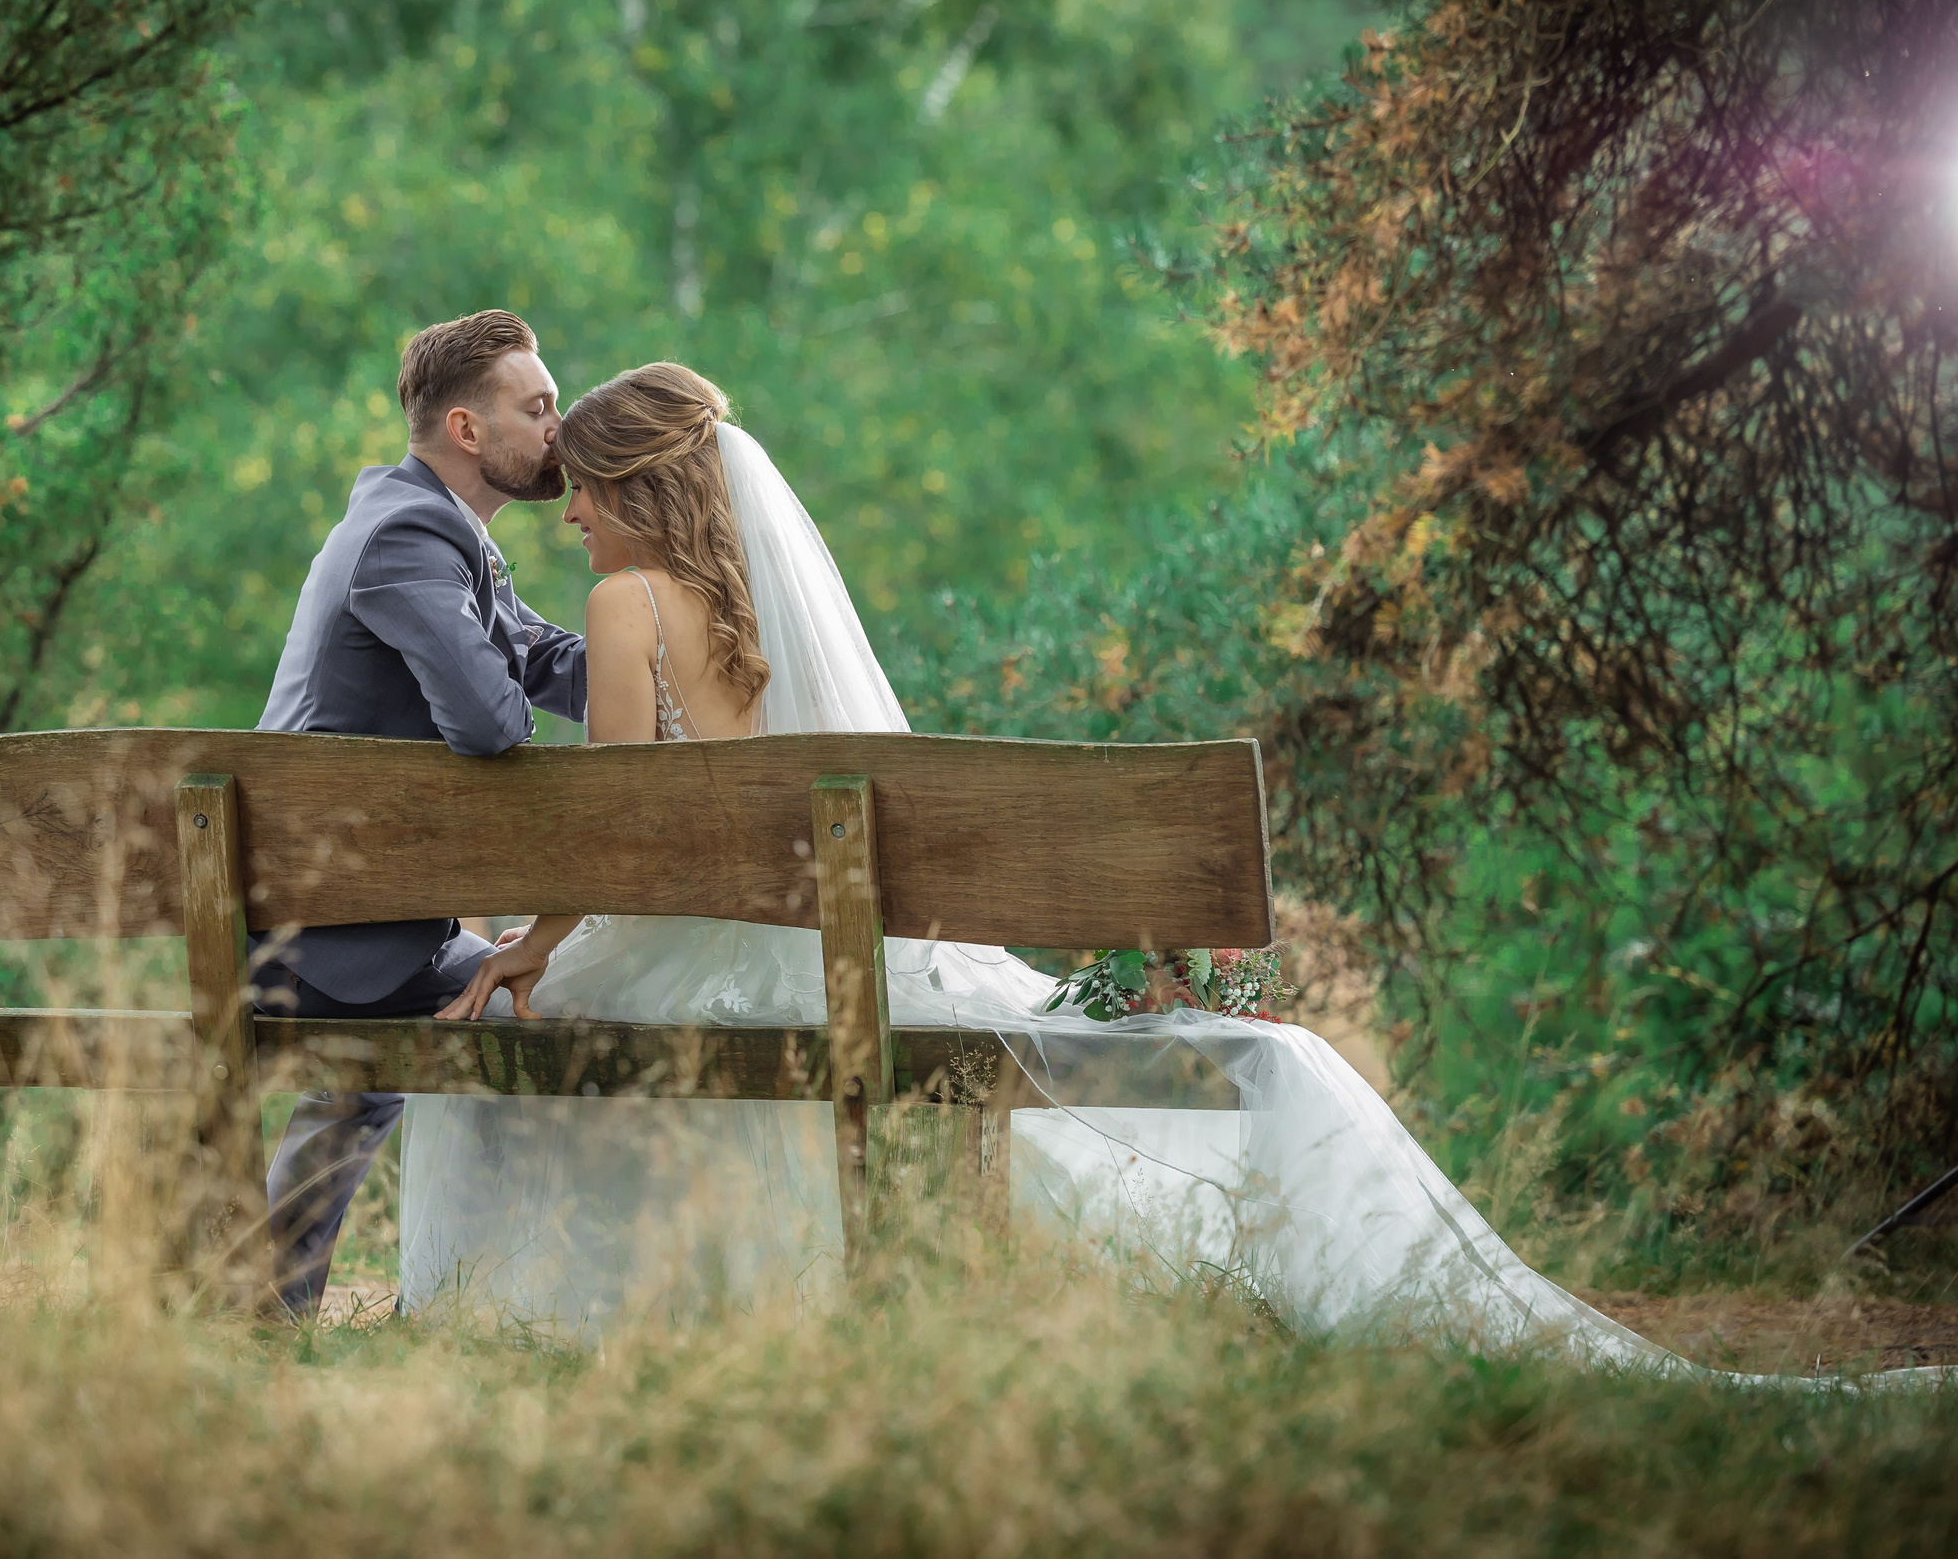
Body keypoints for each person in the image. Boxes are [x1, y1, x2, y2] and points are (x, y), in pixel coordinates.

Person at [391, 361, 1726, 1370]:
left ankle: (532, 1313)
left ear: (639, 490)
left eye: (584, 496)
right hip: (831, 948)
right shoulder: (759, 620)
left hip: (717, 951)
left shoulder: (629, 604)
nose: (570, 523)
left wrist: (532, 941)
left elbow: (617, 835)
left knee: (493, 1032)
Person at [251, 308, 584, 1315]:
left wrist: (673, 647)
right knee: (576, 999)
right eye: (538, 408)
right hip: (323, 939)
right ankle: (517, 1297)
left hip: (354, 918)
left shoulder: (441, 529)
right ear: (466, 430)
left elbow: (539, 661)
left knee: (534, 990)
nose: (558, 429)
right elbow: (489, 720)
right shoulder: (405, 533)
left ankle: (266, 1308)